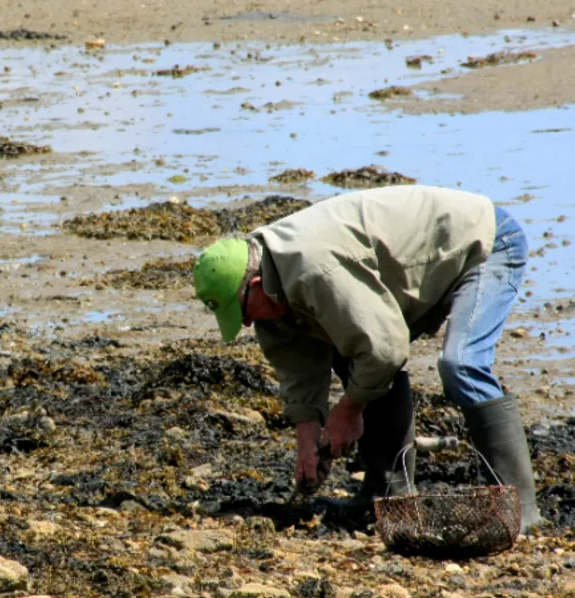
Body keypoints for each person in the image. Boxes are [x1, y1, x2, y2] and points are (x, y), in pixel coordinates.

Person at [192, 185, 541, 530]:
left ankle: (520, 509)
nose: (248, 323)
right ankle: (388, 493)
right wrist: (307, 439)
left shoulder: (314, 270)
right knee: (354, 350)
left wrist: (349, 409)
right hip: (415, 268)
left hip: (482, 244)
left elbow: (385, 349)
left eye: (243, 312)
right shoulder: (265, 288)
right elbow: (297, 368)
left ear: (254, 285)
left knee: (461, 364)